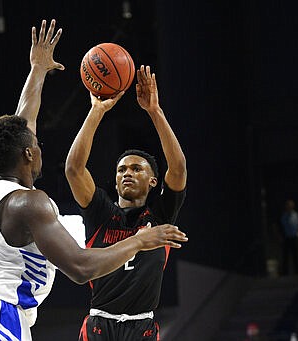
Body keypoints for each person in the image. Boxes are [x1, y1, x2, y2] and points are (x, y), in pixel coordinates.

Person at [0, 20, 188, 341]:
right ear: (27, 154)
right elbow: (80, 267)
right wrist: (140, 241)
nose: (40, 148)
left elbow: (24, 118)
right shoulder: (30, 202)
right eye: (36, 146)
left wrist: (37, 70)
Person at [65, 65, 187, 341]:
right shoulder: (101, 212)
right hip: (99, 324)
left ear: (153, 181)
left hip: (141, 327)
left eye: (136, 169)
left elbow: (178, 169)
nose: (127, 173)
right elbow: (73, 169)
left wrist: (154, 112)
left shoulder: (160, 215)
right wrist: (96, 111)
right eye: (121, 170)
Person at [280, 199, 298, 275]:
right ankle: (285, 273)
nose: (290, 207)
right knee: (285, 256)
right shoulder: (284, 216)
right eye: (288, 205)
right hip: (287, 238)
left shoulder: (296, 215)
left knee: (296, 256)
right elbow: (281, 227)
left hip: (294, 237)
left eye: (291, 205)